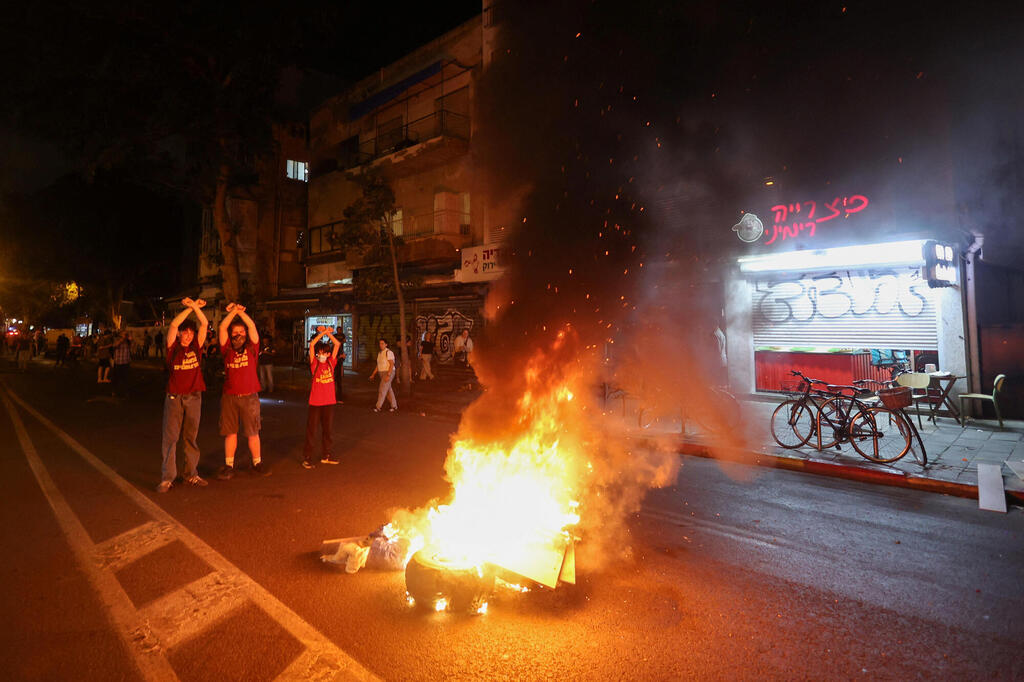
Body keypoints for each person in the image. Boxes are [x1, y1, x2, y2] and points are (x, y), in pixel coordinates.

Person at [157, 298, 209, 492]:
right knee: (170, 437)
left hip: (194, 396)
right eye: (184, 332)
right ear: (179, 334)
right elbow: (173, 324)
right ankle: (167, 477)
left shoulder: (197, 346)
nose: (187, 335)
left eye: (190, 332)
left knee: (191, 436)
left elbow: (204, 323)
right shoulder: (173, 348)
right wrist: (189, 308)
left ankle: (191, 474)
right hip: (175, 396)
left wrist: (195, 306)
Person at [216, 303, 268, 479]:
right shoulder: (226, 349)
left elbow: (252, 327)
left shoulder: (252, 348)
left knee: (253, 432)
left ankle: (257, 462)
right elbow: (223, 327)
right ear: (231, 335)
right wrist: (232, 312)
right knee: (230, 432)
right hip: (230, 397)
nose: (239, 335)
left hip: (250, 397)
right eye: (235, 332)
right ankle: (229, 465)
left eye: (242, 332)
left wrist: (241, 312)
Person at [303, 327, 342, 468]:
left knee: (328, 431)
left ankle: (326, 455)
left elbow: (337, 344)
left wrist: (328, 333)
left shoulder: (332, 363)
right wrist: (322, 333)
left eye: (324, 353)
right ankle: (307, 457)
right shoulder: (315, 363)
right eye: (319, 353)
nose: (321, 355)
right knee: (312, 431)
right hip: (315, 402)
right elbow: (312, 345)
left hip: (329, 402)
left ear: (328, 353)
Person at [369, 337, 397, 413]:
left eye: (382, 343)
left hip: (388, 372)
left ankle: (378, 406)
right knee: (388, 390)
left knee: (382, 389)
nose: (381, 345)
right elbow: (378, 365)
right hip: (381, 373)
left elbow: (391, 364)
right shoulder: (380, 353)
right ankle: (394, 406)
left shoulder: (389, 352)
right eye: (380, 343)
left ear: (386, 344)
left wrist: (388, 374)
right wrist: (373, 374)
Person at [111, 329, 132, 398]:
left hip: (126, 362)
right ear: (121, 335)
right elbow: (115, 345)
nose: (125, 335)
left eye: (126, 334)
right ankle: (114, 391)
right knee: (116, 378)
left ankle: (126, 392)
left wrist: (129, 339)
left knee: (126, 378)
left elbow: (132, 346)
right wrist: (122, 339)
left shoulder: (128, 341)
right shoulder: (117, 339)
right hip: (118, 362)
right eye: (124, 334)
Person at [333, 332, 347, 403]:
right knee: (334, 383)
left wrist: (342, 357)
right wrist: (341, 356)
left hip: (338, 366)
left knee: (338, 383)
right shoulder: (335, 347)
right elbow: (333, 359)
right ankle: (336, 398)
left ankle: (339, 398)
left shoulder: (340, 347)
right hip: (335, 368)